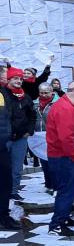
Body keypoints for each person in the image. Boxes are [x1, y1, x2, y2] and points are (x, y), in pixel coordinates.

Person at [46, 82, 74, 236]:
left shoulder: (64, 105)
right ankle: (57, 224)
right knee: (66, 190)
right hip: (64, 156)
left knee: (68, 189)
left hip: (61, 155)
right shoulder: (65, 109)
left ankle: (64, 216)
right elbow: (66, 138)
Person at [4, 67, 36, 201]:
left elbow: (32, 115)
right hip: (5, 138)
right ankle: (3, 192)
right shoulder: (3, 94)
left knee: (17, 168)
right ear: (9, 79)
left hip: (20, 139)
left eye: (21, 79)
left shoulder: (26, 97)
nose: (19, 81)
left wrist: (29, 130)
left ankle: (13, 191)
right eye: (15, 78)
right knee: (4, 167)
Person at [0, 68, 22, 230]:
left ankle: (3, 215)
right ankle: (3, 217)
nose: (5, 76)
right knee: (3, 182)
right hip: (2, 146)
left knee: (5, 183)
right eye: (3, 74)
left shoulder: (5, 93)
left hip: (4, 145)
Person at [34, 83, 58, 193]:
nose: (43, 95)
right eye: (41, 93)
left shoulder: (57, 103)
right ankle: (48, 183)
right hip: (39, 135)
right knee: (43, 161)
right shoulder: (35, 103)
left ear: (52, 92)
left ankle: (56, 186)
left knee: (53, 162)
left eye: (46, 93)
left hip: (52, 134)